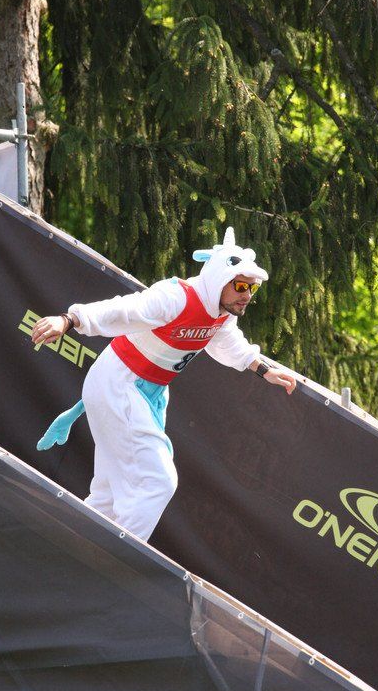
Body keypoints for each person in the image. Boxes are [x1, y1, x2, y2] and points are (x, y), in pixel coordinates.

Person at [31, 227, 296, 541]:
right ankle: (113, 558)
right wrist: (69, 319)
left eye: (253, 288)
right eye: (240, 285)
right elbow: (124, 309)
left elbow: (228, 343)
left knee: (110, 496)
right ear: (218, 280)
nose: (247, 295)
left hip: (145, 393)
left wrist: (263, 369)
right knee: (157, 481)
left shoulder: (222, 312)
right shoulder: (176, 298)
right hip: (119, 384)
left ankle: (64, 549)